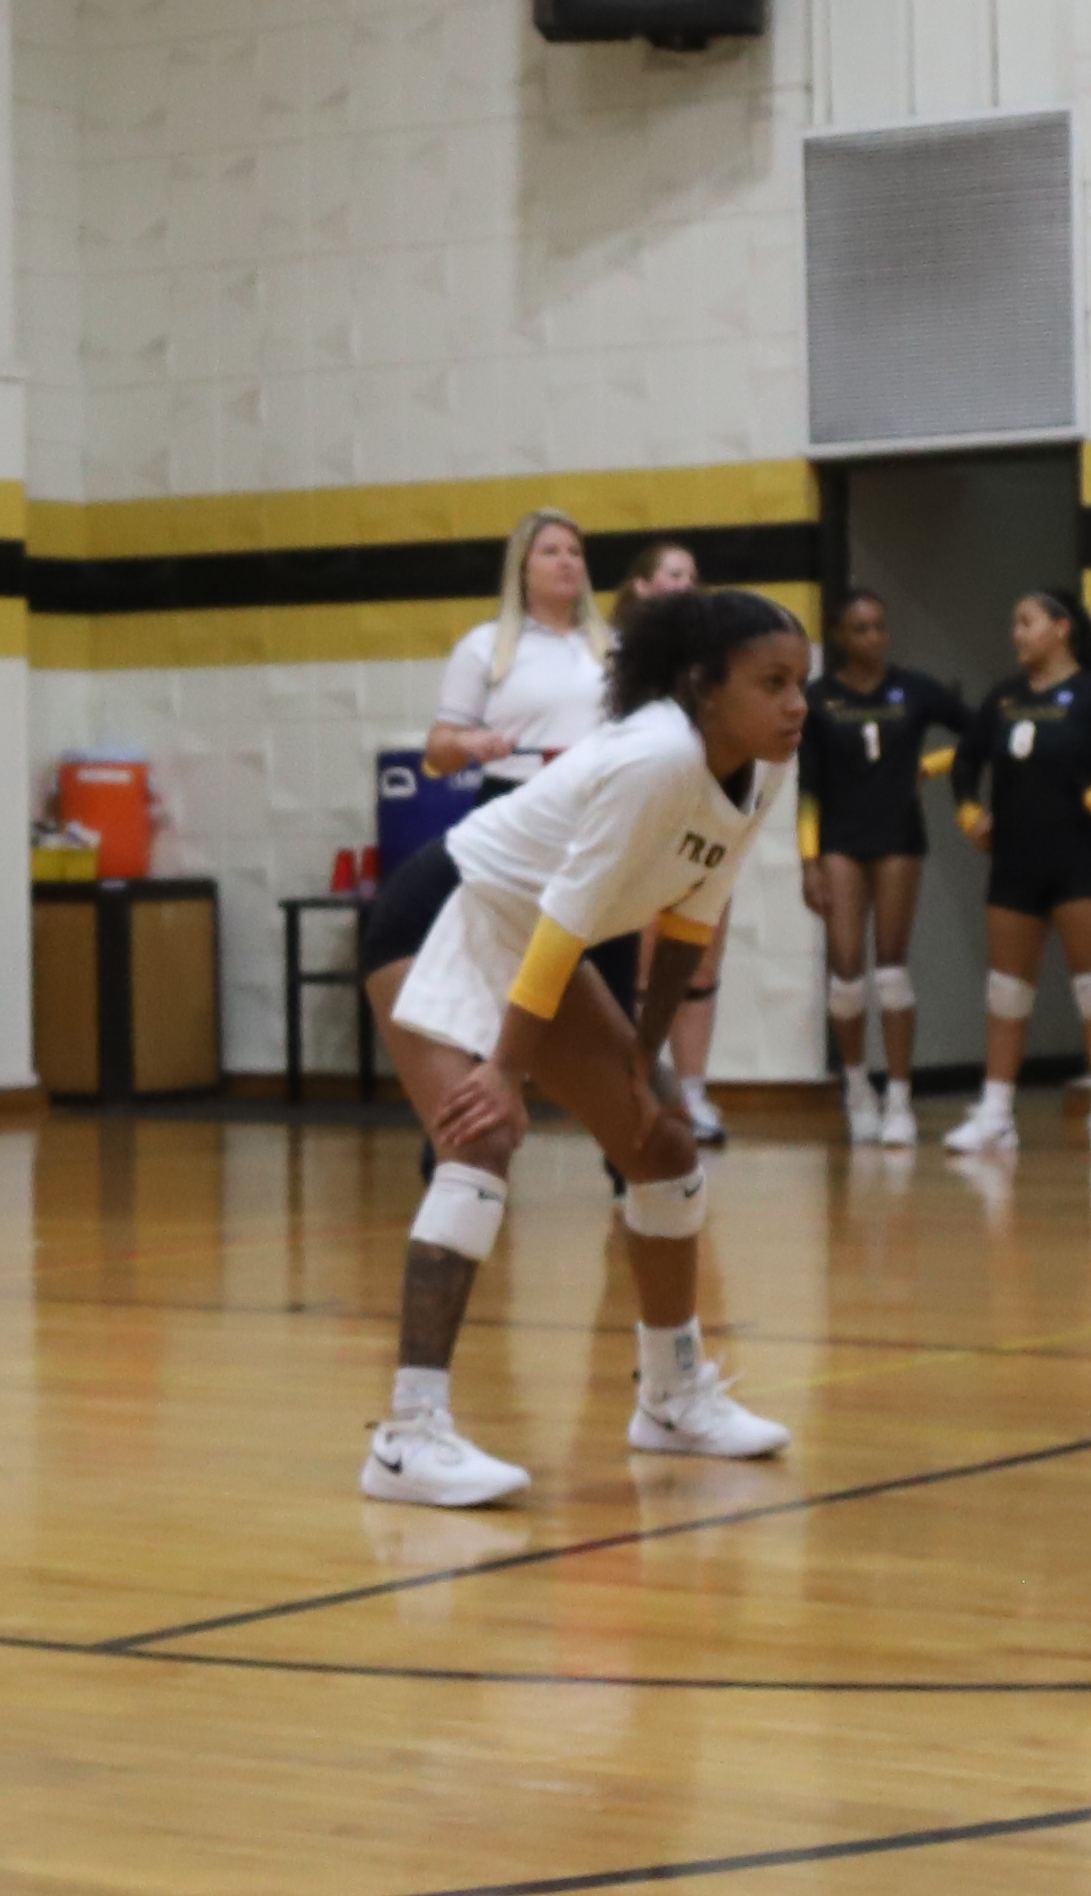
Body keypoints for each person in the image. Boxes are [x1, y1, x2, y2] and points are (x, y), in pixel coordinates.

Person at [352, 588, 811, 1505]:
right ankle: (407, 1437)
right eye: (773, 683)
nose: (797, 704)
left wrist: (640, 1066)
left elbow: (688, 921)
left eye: (802, 682)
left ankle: (673, 1399)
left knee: (663, 1144)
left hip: (535, 939)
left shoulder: (757, 767)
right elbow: (563, 925)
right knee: (479, 1136)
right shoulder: (656, 757)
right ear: (702, 687)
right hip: (446, 913)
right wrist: (506, 1073)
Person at [946, 589, 1091, 1159]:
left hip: (1082, 861)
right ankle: (997, 1114)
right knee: (1006, 991)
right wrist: (970, 811)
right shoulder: (1002, 698)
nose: (1016, 634)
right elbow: (966, 760)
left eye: (1026, 622)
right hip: (1015, 864)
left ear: (1061, 627)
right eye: (1015, 624)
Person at [797, 586, 956, 1146]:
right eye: (860, 628)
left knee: (891, 967)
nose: (873, 638)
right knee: (846, 967)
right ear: (839, 635)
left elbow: (982, 732)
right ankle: (857, 1087)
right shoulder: (818, 699)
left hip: (897, 837)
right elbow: (808, 788)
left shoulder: (913, 690)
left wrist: (929, 768)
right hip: (839, 838)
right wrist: (809, 861)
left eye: (879, 626)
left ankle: (900, 1098)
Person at [610, 536, 734, 1145]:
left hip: (705, 818)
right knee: (644, 961)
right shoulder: (617, 657)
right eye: (671, 574)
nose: (684, 584)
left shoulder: (716, 658)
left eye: (692, 574)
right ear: (641, 586)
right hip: (643, 823)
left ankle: (693, 1090)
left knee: (700, 960)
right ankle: (642, 1087)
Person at [423, 510, 607, 791]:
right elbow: (438, 755)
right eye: (550, 552)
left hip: (602, 800)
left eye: (575, 552)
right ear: (521, 568)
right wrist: (464, 742)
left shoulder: (616, 646)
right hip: (516, 800)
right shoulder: (484, 645)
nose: (566, 562)